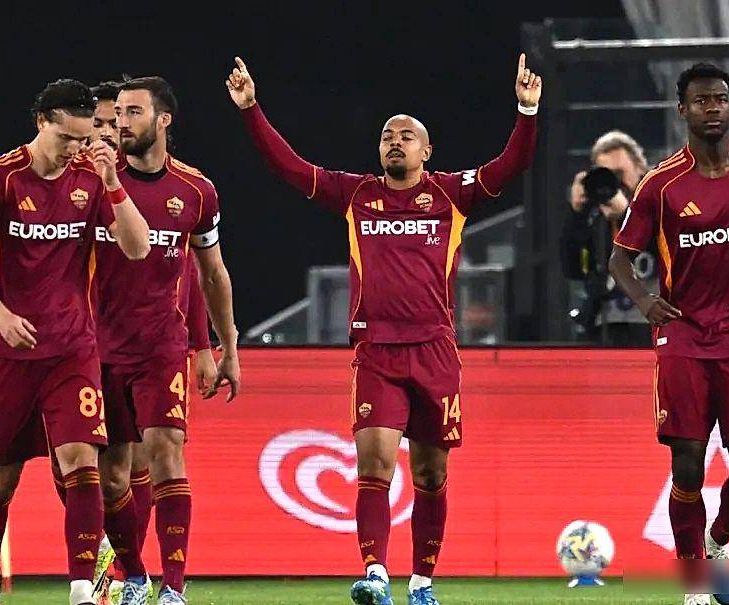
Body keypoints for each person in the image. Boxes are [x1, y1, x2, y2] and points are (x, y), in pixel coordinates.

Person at [227, 54, 540, 605]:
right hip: (376, 351)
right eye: (387, 137)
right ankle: (375, 573)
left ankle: (422, 582)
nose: (395, 143)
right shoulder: (356, 195)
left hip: (435, 351)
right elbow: (290, 168)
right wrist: (251, 109)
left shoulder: (452, 195)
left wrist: (527, 111)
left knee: (431, 473)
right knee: (373, 463)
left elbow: (511, 165)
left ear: (427, 151)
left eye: (406, 137)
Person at [609, 63, 729, 605]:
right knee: (688, 462)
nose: (711, 108)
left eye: (719, 99)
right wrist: (645, 301)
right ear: (683, 111)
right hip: (685, 338)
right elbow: (620, 258)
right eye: (700, 101)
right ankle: (693, 582)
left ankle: (716, 542)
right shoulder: (661, 184)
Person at [0, 78, 151, 605]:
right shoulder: (0, 177)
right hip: (7, 352)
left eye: (82, 139)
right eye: (66, 137)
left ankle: (82, 590)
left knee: (82, 464)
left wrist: (113, 182)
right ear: (41, 121)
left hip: (72, 348)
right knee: (0, 482)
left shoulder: (91, 176)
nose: (74, 149)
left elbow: (137, 248)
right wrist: (1, 316)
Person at [90, 76, 238, 605]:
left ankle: (173, 588)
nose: (121, 123)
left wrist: (222, 347)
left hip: (160, 347)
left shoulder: (196, 191)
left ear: (163, 120)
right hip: (97, 348)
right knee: (114, 478)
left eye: (133, 112)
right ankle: (132, 575)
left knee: (167, 453)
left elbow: (209, 274)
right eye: (118, 114)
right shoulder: (91, 182)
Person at [562, 131, 657, 346]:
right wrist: (576, 213)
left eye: (619, 173)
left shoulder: (659, 203)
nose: (615, 183)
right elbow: (572, 269)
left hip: (650, 324)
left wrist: (626, 215)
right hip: (604, 325)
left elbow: (664, 250)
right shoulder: (596, 218)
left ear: (640, 169)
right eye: (607, 174)